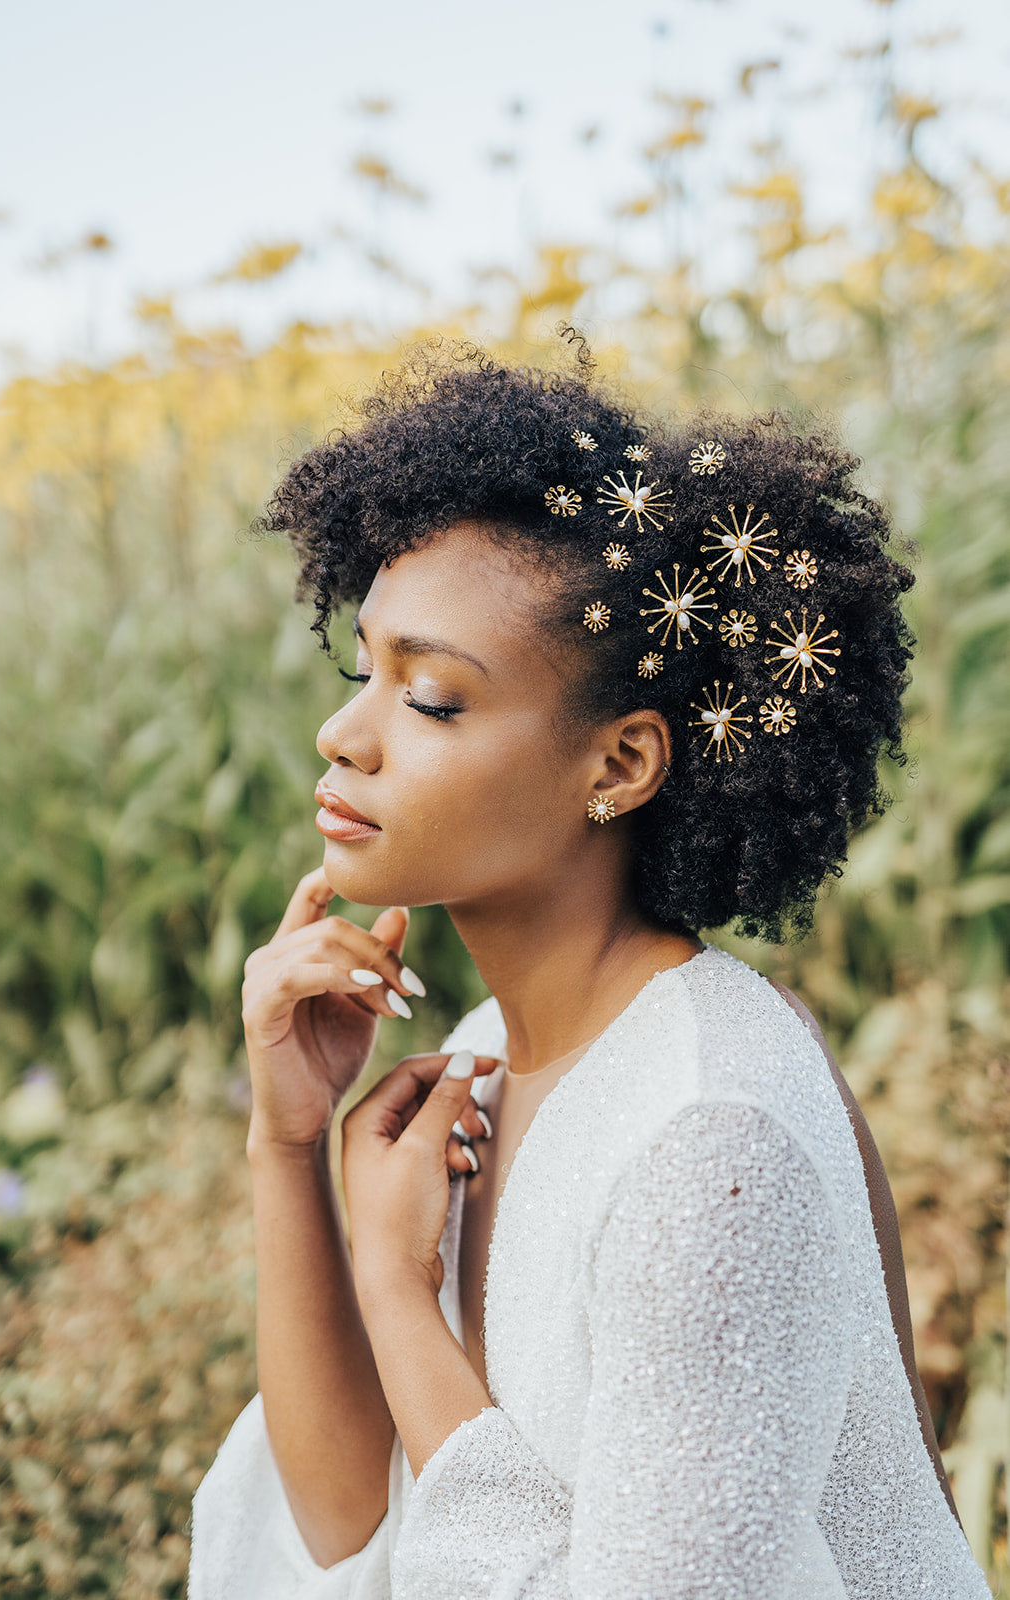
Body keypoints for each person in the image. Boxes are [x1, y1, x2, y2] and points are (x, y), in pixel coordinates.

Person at [186, 343, 992, 1598]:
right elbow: (347, 1523)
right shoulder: (483, 1056)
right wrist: (289, 1148)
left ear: (617, 765)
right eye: (364, 672)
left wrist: (401, 1293)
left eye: (433, 699)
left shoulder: (708, 1132)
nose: (343, 734)